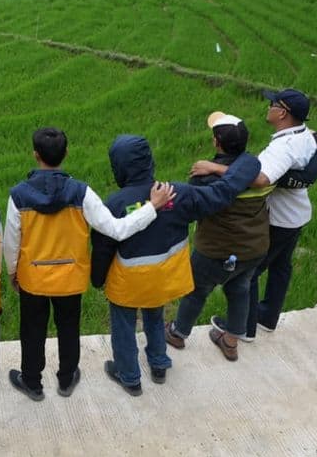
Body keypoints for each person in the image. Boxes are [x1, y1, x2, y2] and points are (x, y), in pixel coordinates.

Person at [3, 127, 174, 402]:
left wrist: (13, 271)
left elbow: (11, 241)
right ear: (66, 153)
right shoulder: (82, 193)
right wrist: (152, 207)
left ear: (35, 155)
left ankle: (32, 382)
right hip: (70, 278)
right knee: (69, 328)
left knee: (32, 331)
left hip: (33, 278)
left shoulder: (18, 196)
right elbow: (116, 229)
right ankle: (67, 378)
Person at [100, 129, 261, 396]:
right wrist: (247, 160)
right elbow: (222, 193)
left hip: (127, 283)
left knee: (123, 326)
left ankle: (128, 376)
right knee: (154, 316)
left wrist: (97, 278)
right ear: (149, 161)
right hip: (164, 277)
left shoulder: (115, 203)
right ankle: (159, 364)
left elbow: (104, 248)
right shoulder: (177, 194)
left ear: (118, 167)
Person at [191, 89, 317, 339]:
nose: (268, 106)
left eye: (272, 103)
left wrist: (213, 167)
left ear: (282, 112)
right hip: (297, 214)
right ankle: (268, 317)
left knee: (249, 273)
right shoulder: (306, 134)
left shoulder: (283, 147)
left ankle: (244, 329)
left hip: (278, 219)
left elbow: (260, 179)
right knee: (281, 267)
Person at [165, 113, 271, 360]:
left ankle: (178, 333)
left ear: (216, 142)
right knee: (240, 289)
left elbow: (193, 207)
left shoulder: (204, 178)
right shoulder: (256, 173)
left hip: (214, 250)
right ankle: (231, 341)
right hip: (253, 248)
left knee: (197, 291)